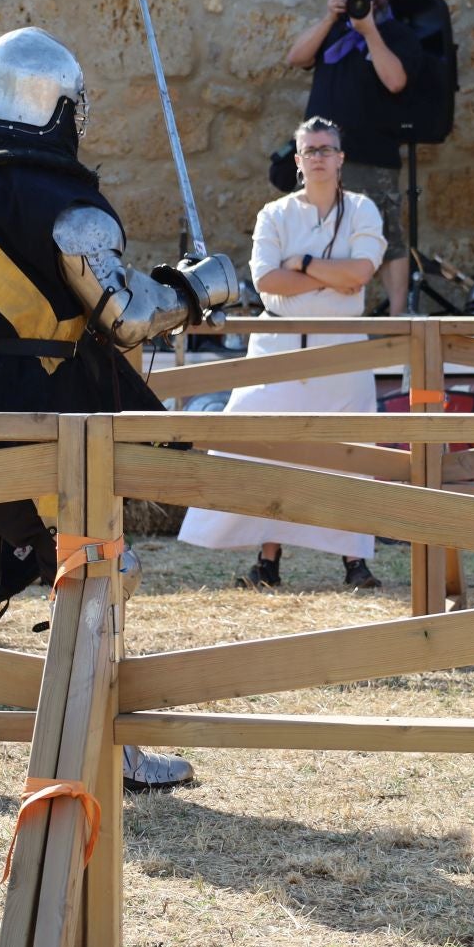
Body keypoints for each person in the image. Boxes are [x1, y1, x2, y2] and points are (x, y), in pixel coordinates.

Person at [0, 27, 237, 791]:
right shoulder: (64, 205)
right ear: (62, 107)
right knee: (100, 567)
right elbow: (126, 316)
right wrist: (199, 286)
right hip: (29, 425)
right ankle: (110, 753)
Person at [178, 116, 387, 591]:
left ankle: (354, 561)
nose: (318, 157)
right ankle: (267, 559)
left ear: (340, 158)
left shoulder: (361, 209)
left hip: (341, 349)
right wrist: (330, 277)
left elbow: (361, 272)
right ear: (297, 160)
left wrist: (305, 264)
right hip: (279, 346)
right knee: (261, 445)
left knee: (350, 452)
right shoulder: (274, 214)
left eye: (326, 149)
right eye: (310, 150)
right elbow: (267, 280)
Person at [284, 0, 424, 314]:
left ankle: (397, 317)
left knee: (386, 236)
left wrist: (369, 31)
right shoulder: (332, 31)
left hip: (372, 154)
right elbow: (296, 57)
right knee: (315, 230)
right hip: (322, 155)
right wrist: (329, 18)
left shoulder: (398, 35)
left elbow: (395, 81)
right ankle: (318, 310)